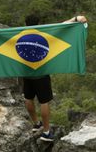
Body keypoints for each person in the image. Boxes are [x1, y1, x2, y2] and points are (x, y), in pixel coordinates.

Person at [22, 13, 88, 142]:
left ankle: (36, 124)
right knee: (44, 102)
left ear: (26, 24)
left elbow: (0, 33)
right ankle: (46, 132)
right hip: (41, 73)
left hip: (26, 72)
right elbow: (61, 26)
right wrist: (75, 19)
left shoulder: (19, 34)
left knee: (28, 97)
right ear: (38, 23)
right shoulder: (44, 33)